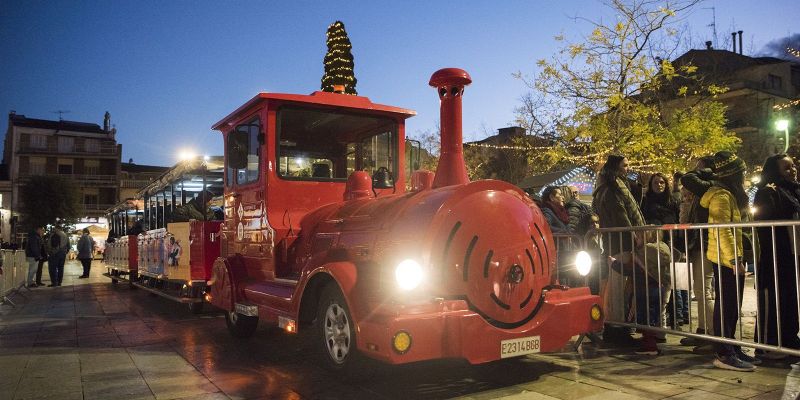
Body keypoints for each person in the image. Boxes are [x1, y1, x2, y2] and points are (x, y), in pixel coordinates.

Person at [593, 154, 658, 353]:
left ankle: (619, 328)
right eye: (624, 165)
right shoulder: (611, 189)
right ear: (615, 167)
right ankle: (617, 330)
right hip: (619, 243)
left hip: (621, 242)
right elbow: (620, 215)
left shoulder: (614, 186)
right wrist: (633, 234)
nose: (627, 168)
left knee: (621, 288)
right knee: (618, 289)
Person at [701, 151, 758, 371]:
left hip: (730, 257)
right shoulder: (721, 197)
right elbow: (723, 230)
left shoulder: (730, 195)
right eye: (741, 172)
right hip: (725, 258)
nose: (744, 175)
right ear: (733, 174)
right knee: (727, 305)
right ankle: (724, 353)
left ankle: (731, 346)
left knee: (733, 305)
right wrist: (734, 259)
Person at [753, 154, 800, 358]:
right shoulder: (767, 192)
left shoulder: (794, 190)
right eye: (786, 168)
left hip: (793, 255)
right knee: (774, 299)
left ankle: (789, 338)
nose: (793, 170)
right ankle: (768, 345)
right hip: (776, 255)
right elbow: (764, 224)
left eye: (793, 166)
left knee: (791, 299)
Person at [679, 156, 717, 346]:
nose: (695, 170)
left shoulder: (710, 186)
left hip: (706, 243)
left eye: (699, 167)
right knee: (700, 290)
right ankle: (703, 330)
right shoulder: (699, 192)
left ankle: (712, 333)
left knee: (704, 290)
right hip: (698, 243)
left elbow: (687, 177)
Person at [640, 173, 685, 326]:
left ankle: (677, 316)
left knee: (674, 282)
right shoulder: (646, 202)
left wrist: (681, 247)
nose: (659, 185)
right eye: (655, 183)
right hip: (654, 246)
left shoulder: (672, 202)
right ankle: (658, 318)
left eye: (662, 182)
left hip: (671, 244)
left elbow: (678, 222)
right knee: (658, 282)